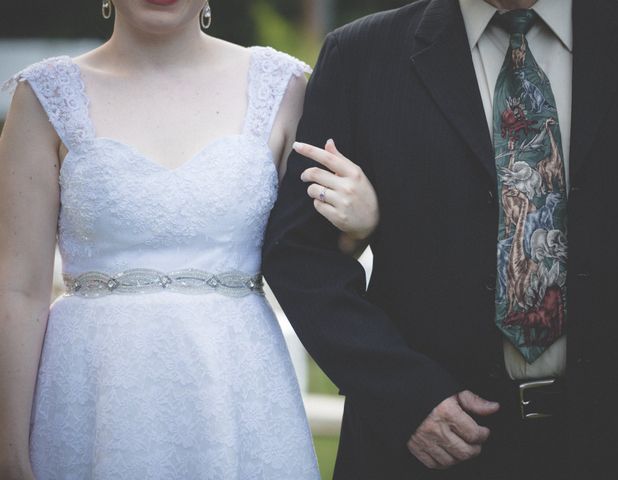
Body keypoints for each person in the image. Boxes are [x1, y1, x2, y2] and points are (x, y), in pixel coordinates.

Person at [0, 1, 381, 478]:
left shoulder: (282, 89)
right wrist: (9, 452)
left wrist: (363, 224)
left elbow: (309, 257)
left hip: (236, 392)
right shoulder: (43, 97)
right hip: (93, 397)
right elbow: (18, 287)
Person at [264, 0, 618, 478]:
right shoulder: (361, 55)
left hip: (616, 441)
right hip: (424, 449)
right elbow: (298, 254)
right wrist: (402, 395)